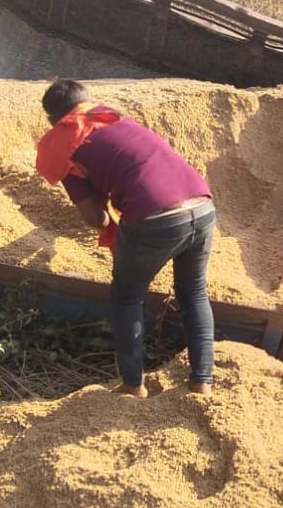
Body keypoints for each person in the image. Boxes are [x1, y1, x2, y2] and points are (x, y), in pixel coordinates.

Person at [36, 78, 216, 398]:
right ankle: (202, 382)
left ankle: (133, 385)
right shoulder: (114, 118)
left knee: (127, 297)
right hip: (202, 206)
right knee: (193, 292)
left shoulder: (65, 143)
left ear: (53, 120)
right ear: (87, 102)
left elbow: (94, 218)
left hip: (155, 217)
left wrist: (110, 223)